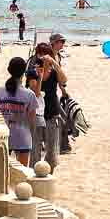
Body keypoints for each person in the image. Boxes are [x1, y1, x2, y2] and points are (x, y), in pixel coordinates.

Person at [0, 57, 38, 166]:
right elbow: (32, 120)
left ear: (9, 70)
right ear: (24, 72)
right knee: (22, 175)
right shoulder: (29, 95)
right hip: (23, 136)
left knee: (3, 173)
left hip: (3, 137)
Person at [38, 34, 68, 169]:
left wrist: (63, 90)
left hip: (52, 102)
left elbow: (62, 79)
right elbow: (42, 80)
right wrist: (46, 63)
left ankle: (63, 146)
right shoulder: (37, 65)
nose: (62, 44)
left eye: (63, 42)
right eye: (60, 42)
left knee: (62, 120)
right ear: (53, 43)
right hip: (40, 107)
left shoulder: (57, 58)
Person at [26, 52, 49, 165]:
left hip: (39, 115)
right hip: (36, 116)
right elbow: (36, 92)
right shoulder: (33, 74)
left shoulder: (44, 75)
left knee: (38, 146)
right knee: (35, 147)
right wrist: (39, 77)